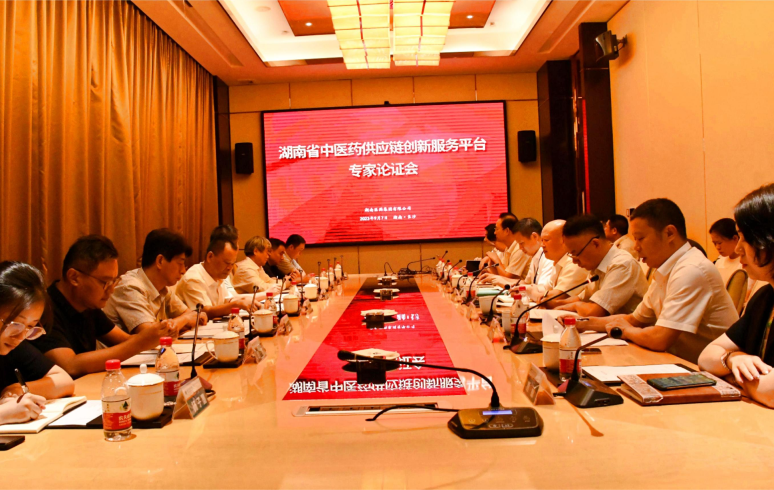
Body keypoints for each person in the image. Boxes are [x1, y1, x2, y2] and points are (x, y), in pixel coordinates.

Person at [583, 199, 738, 362]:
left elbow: (660, 338)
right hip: (679, 362)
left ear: (669, 233)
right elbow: (633, 320)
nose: (635, 247)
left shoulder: (691, 269)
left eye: (640, 238)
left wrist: (626, 331)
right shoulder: (666, 268)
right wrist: (580, 324)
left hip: (711, 370)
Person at [32, 236, 175, 378]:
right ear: (74, 277)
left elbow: (125, 341)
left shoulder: (88, 305)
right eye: (105, 282)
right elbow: (70, 365)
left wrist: (156, 335)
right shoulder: (43, 309)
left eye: (114, 281)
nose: (111, 290)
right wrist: (141, 342)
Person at [699, 184, 774, 408]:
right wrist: (733, 359)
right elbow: (706, 356)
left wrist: (731, 377)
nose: (739, 248)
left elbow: (772, 393)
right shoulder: (765, 296)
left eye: (744, 238)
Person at [0, 262, 74, 426]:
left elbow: (64, 380)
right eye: (16, 324)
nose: (21, 336)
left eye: (30, 327)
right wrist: (3, 414)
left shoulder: (13, 343)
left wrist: (15, 390)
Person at [104, 228, 205, 334]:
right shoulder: (129, 287)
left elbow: (194, 315)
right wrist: (185, 319)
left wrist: (186, 319)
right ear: (160, 261)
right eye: (180, 263)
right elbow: (150, 334)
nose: (183, 270)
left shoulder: (163, 289)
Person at [555, 215, 648, 317]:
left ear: (595, 244)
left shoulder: (622, 264)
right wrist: (554, 304)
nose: (574, 261)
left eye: (576, 254)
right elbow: (581, 299)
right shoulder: (596, 265)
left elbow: (595, 311)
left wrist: (574, 306)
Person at [175, 237, 258, 317]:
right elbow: (204, 312)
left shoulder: (218, 276)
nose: (230, 268)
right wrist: (237, 304)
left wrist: (245, 300)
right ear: (210, 256)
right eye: (227, 262)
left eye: (232, 264)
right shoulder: (193, 278)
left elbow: (227, 301)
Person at [480, 215, 531, 280]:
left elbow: (507, 278)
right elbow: (500, 275)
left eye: (497, 229)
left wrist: (496, 259)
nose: (495, 233)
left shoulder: (519, 249)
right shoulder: (508, 248)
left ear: (507, 231)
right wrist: (492, 262)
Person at [710, 218, 742, 287]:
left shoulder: (745, 263)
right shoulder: (719, 262)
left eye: (719, 243)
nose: (717, 247)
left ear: (735, 239)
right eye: (714, 243)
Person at [210, 224, 240, 296]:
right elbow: (233, 298)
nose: (237, 247)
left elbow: (231, 298)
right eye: (236, 243)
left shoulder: (223, 271)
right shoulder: (220, 270)